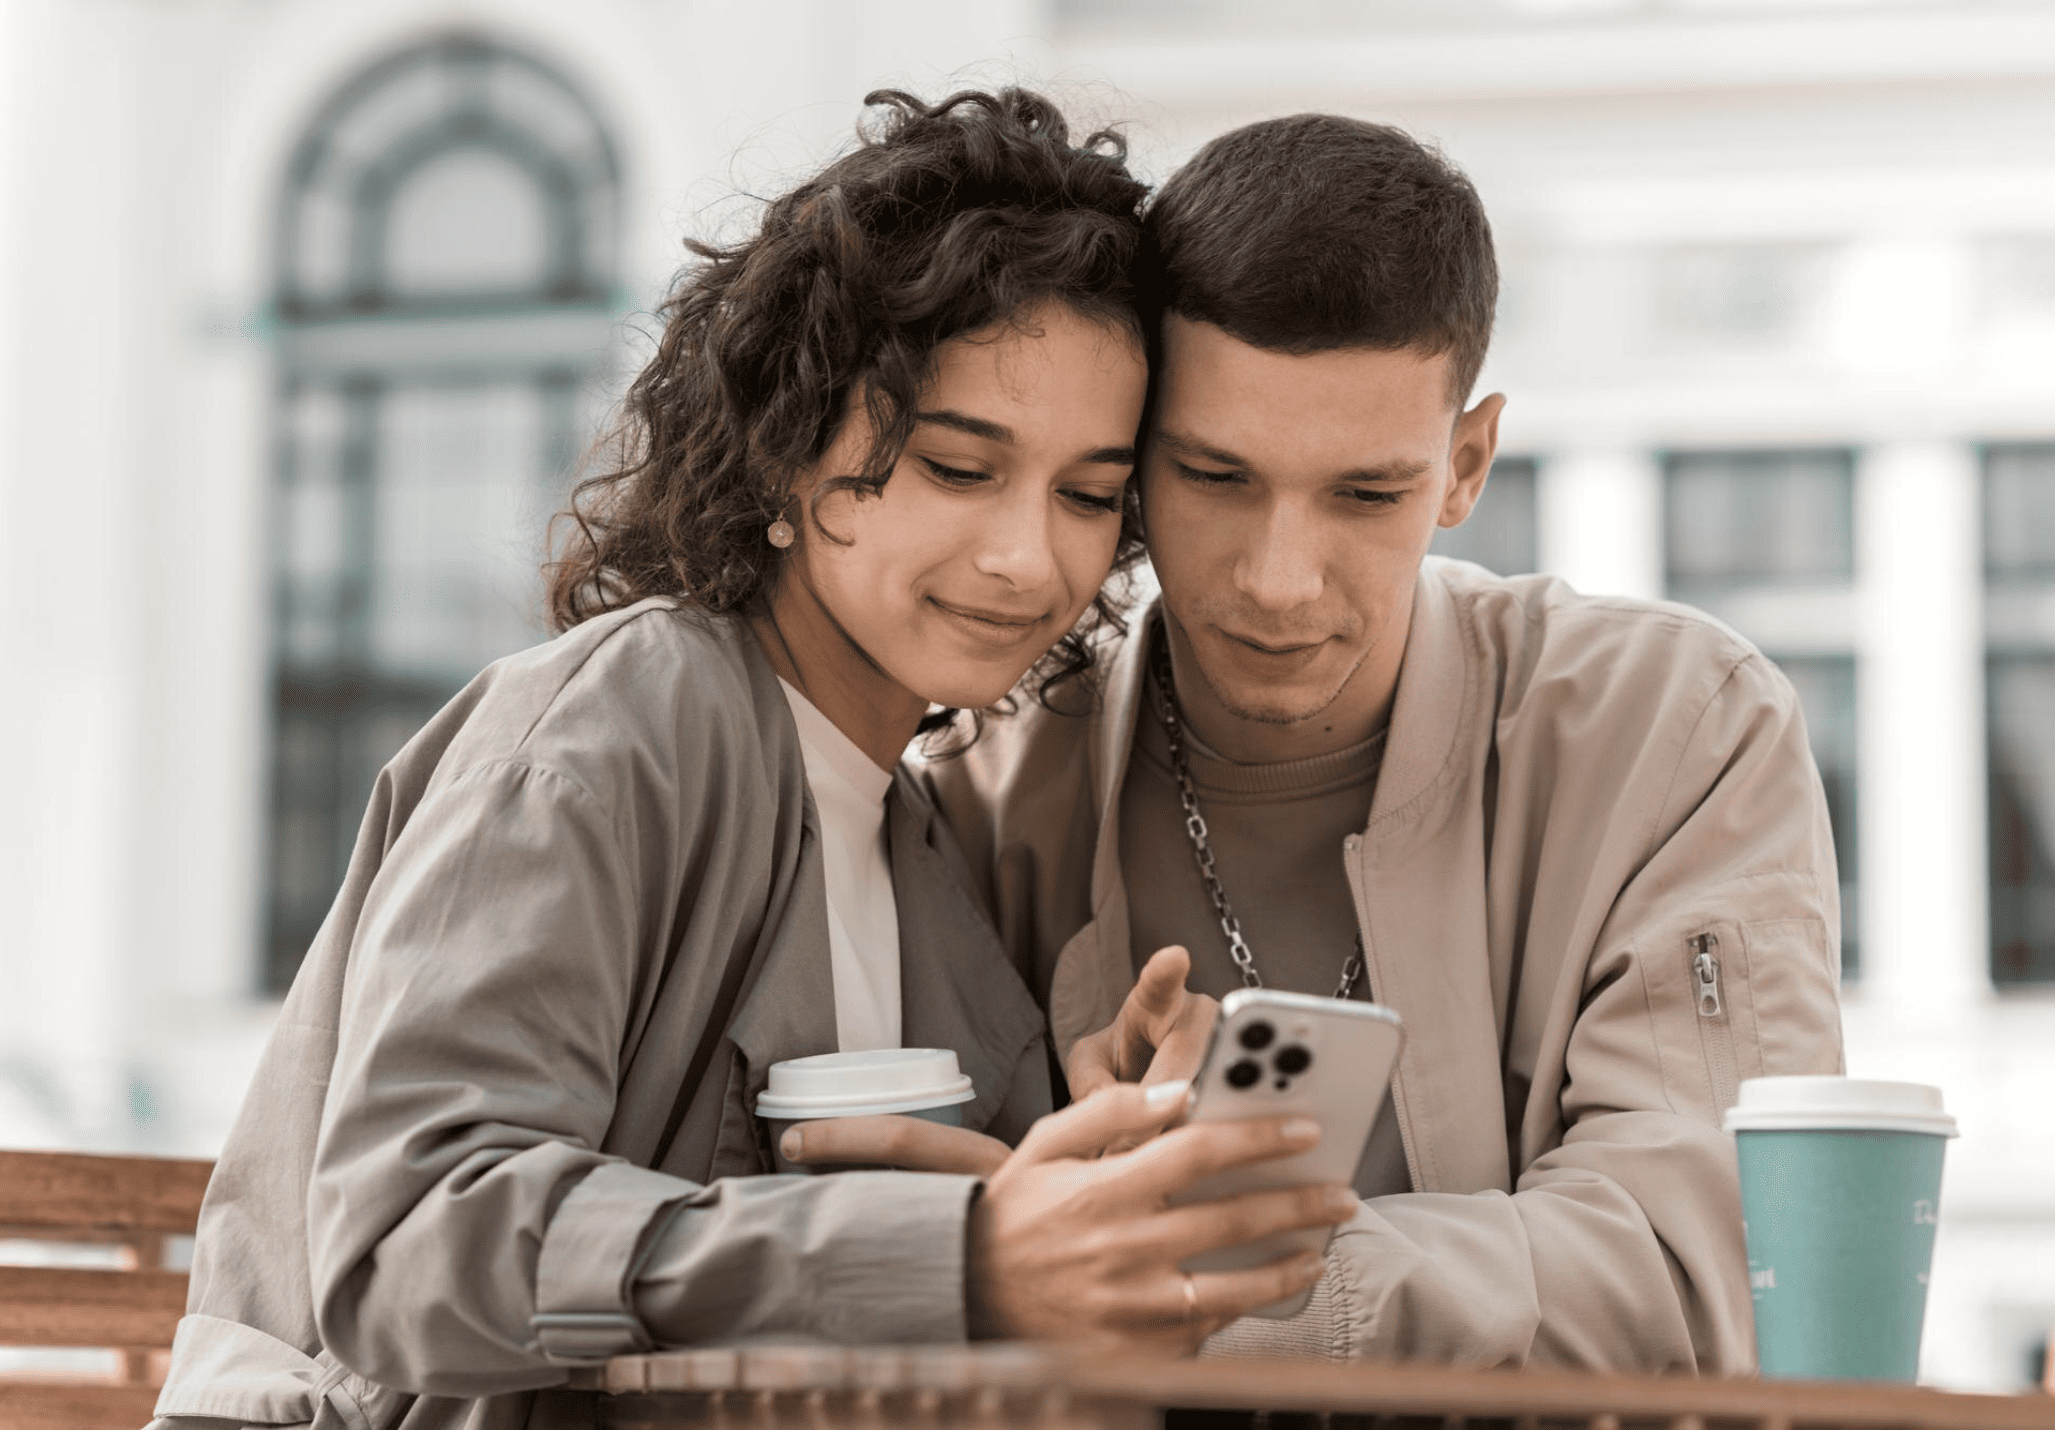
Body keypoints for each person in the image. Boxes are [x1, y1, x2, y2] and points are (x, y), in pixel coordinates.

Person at [151, 90, 1352, 1430]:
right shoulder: (627, 719)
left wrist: (1090, 1155)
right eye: (958, 467)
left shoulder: (916, 855)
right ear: (789, 446)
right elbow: (409, 1238)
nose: (1029, 557)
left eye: (1085, 494)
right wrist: (954, 1253)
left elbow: (948, 1321)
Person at [923, 113, 1849, 1374]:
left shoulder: (1679, 729)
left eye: (1367, 493)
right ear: (1134, 457)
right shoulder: (974, 774)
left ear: (1465, 464)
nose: (1281, 579)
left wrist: (1202, 1275)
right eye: (1214, 476)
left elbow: (1701, 1276)